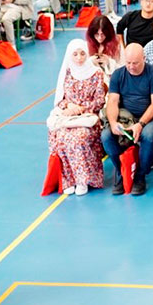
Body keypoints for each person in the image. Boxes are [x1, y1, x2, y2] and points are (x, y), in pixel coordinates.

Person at [100, 43, 153, 196]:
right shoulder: (118, 75)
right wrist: (114, 122)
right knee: (106, 136)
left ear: (144, 58)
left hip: (148, 117)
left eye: (135, 63)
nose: (131, 66)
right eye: (128, 63)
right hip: (125, 116)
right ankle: (122, 170)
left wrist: (140, 124)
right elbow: (113, 101)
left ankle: (140, 176)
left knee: (148, 136)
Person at [49, 39, 107, 196]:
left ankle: (84, 180)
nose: (79, 58)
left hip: (88, 118)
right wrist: (67, 107)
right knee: (60, 137)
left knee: (78, 139)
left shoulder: (96, 73)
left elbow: (100, 101)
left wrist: (81, 109)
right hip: (68, 117)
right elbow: (60, 99)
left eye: (82, 53)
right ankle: (69, 180)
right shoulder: (66, 72)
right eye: (75, 54)